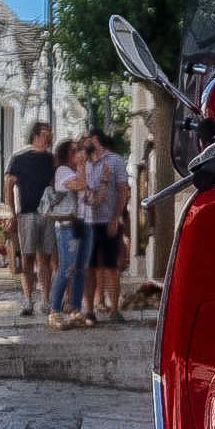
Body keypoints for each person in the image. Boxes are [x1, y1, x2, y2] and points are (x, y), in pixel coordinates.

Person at [3, 122, 56, 316]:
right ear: (35, 135)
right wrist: (12, 212)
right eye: (44, 133)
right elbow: (9, 184)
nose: (48, 137)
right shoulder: (20, 159)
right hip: (26, 213)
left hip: (48, 215)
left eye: (49, 134)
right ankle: (27, 300)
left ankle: (46, 300)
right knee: (27, 259)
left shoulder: (52, 160)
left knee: (45, 259)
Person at [83, 127, 131, 324]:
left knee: (111, 266)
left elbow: (122, 191)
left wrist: (115, 218)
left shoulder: (115, 161)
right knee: (90, 267)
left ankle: (114, 308)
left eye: (85, 139)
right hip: (87, 222)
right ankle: (89, 310)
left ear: (95, 139)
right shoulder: (83, 162)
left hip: (107, 221)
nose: (82, 143)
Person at [46, 138, 93, 329]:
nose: (78, 153)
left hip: (84, 222)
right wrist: (83, 166)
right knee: (67, 267)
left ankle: (75, 309)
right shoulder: (63, 171)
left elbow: (89, 194)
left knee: (81, 268)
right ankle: (54, 310)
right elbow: (81, 186)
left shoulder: (79, 170)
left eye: (80, 150)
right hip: (68, 226)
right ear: (66, 154)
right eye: (74, 150)